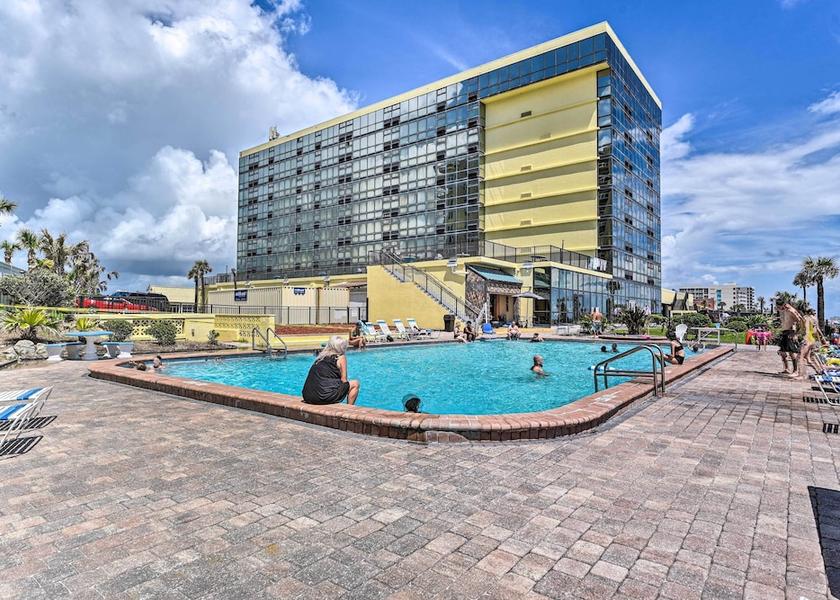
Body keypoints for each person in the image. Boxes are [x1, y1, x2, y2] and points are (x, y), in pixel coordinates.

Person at [301, 336, 360, 405]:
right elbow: (344, 380)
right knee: (355, 384)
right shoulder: (341, 357)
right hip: (322, 397)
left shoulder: (320, 357)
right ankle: (349, 408)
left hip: (308, 396)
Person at [777, 300, 803, 376]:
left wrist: (795, 333)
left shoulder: (791, 311)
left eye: (779, 307)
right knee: (782, 352)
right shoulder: (783, 310)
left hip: (790, 332)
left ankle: (795, 371)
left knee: (792, 353)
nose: (778, 308)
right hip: (784, 332)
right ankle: (787, 369)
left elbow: (800, 321)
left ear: (784, 304)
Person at [798, 308, 826, 379]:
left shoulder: (806, 318)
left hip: (807, 338)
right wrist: (822, 338)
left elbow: (807, 329)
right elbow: (817, 330)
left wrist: (804, 338)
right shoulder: (815, 319)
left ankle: (801, 375)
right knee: (809, 358)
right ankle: (819, 370)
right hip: (813, 339)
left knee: (801, 357)